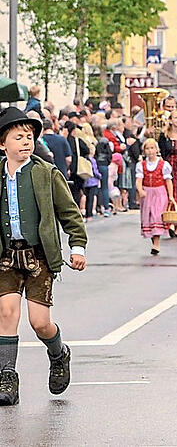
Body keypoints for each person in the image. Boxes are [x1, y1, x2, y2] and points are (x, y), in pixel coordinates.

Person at [0, 107, 87, 406]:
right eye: (18, 137)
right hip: (6, 256)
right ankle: (7, 377)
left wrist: (77, 246)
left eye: (29, 136)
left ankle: (58, 353)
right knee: (7, 313)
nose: (26, 141)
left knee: (39, 322)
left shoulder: (46, 173)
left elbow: (70, 214)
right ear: (2, 144)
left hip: (38, 257)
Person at [136, 138, 174, 256]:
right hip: (147, 193)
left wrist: (171, 196)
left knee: (157, 216)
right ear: (144, 151)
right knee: (148, 217)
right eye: (147, 148)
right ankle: (154, 241)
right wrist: (140, 190)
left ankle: (156, 244)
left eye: (152, 148)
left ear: (157, 150)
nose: (150, 151)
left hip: (159, 193)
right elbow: (139, 180)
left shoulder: (163, 165)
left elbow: (168, 181)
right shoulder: (141, 165)